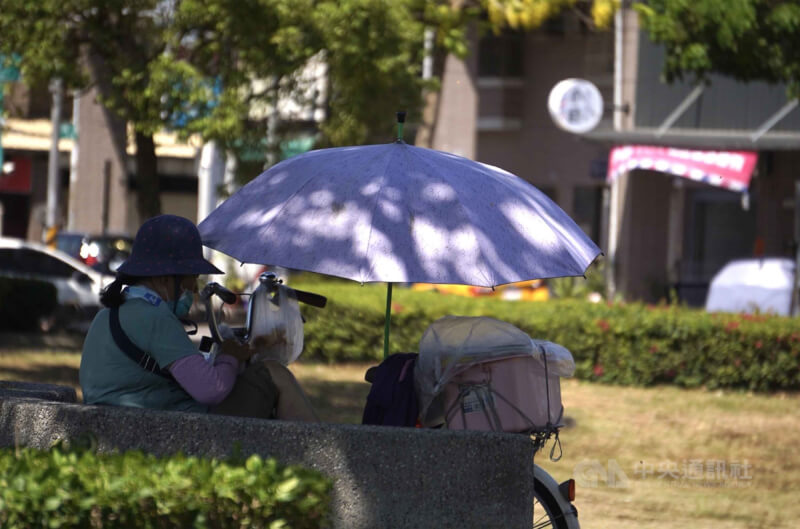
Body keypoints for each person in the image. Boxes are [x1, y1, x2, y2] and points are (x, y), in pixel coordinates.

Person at [79, 214, 318, 421]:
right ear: (164, 279)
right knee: (275, 374)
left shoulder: (109, 314)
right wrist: (229, 357)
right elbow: (210, 390)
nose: (194, 289)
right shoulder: (154, 317)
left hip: (127, 420)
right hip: (168, 427)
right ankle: (319, 457)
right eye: (191, 277)